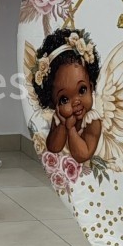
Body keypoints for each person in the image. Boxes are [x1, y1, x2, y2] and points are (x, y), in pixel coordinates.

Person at [32, 28, 103, 161]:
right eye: (64, 99)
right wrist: (63, 126)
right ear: (53, 103)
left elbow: (83, 155)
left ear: (91, 86)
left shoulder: (92, 121)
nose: (76, 102)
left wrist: (70, 129)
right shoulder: (60, 119)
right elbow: (54, 147)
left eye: (82, 90)